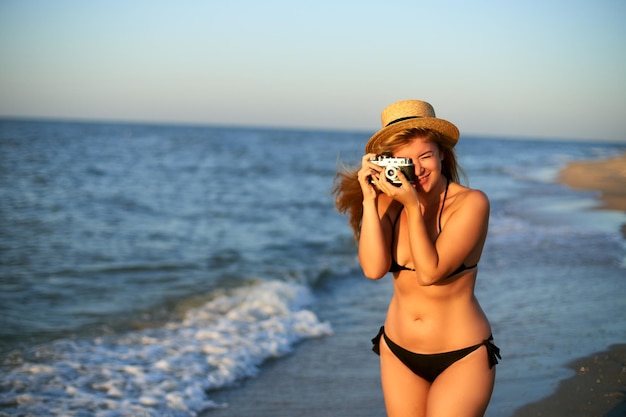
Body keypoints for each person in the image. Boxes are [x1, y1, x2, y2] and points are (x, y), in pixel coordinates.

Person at [332, 100, 500, 417]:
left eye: (426, 156)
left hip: (461, 354)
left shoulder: (471, 204)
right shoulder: (387, 204)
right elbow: (373, 269)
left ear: (442, 155)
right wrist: (370, 200)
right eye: (405, 161)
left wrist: (413, 207)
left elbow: (430, 272)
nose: (418, 168)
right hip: (398, 351)